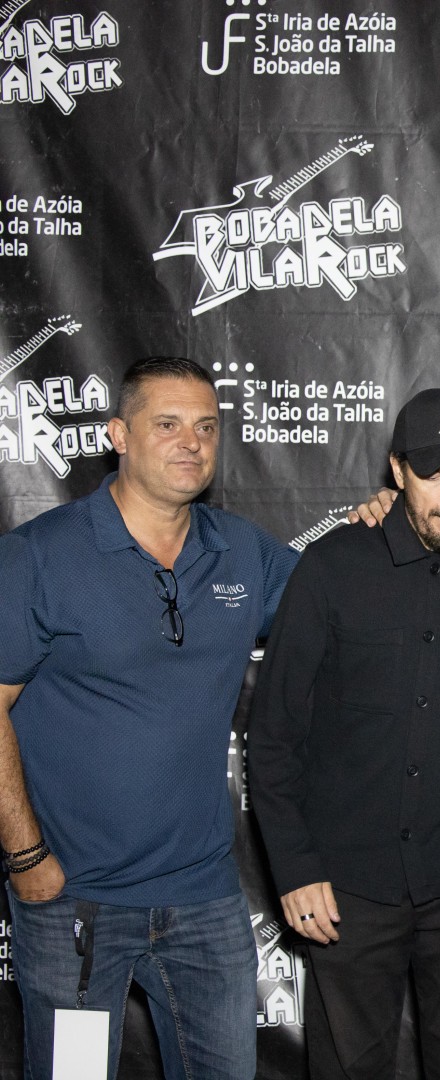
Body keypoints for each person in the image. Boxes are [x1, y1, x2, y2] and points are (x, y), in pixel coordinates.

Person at [249, 387, 440, 1080]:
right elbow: (273, 734)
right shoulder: (332, 567)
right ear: (397, 470)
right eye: (434, 475)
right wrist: (295, 867)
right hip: (347, 887)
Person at [0, 357, 298, 1080]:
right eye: (167, 424)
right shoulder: (40, 556)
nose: (191, 442)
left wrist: (389, 525)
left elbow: (345, 601)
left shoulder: (242, 551)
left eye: (207, 427)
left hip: (204, 900)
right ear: (119, 435)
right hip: (73, 904)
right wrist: (28, 861)